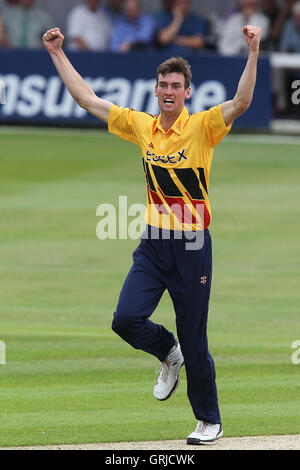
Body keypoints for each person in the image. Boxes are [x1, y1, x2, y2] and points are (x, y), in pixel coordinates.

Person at [43, 23, 261, 445]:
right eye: (163, 84)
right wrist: (56, 53)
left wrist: (253, 51)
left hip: (194, 247)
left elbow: (243, 100)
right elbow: (88, 99)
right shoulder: (143, 127)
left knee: (197, 341)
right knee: (125, 319)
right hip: (154, 243)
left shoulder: (203, 127)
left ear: (187, 92)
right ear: (156, 89)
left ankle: (208, 421)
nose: (168, 91)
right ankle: (167, 351)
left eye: (176, 86)